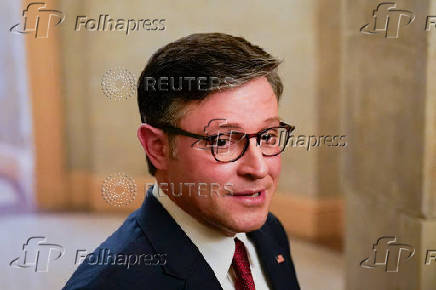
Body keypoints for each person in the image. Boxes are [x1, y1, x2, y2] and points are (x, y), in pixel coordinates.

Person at [64, 33, 300, 290]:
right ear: (158, 148)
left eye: (267, 136)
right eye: (221, 141)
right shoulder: (110, 284)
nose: (259, 168)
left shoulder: (268, 232)